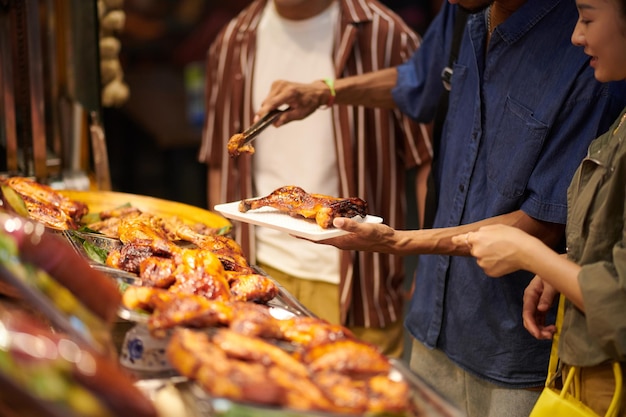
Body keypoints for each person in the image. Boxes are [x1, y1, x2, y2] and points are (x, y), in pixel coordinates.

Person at [254, 0, 626, 415]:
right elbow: (417, 81)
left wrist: (400, 243)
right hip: (432, 316)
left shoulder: (588, 55)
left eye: (589, 19)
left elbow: (542, 225)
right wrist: (323, 91)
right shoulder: (466, 9)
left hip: (507, 342)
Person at [198, 0, 433, 358]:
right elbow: (220, 160)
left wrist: (430, 261)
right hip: (256, 267)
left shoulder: (385, 34)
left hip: (358, 282)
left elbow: (428, 158)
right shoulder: (233, 39)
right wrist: (219, 255)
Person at [451, 0, 626, 413]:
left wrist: (532, 255)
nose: (576, 35)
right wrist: (565, 267)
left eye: (586, 18)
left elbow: (618, 303)